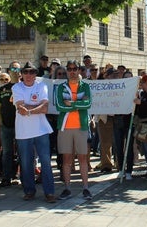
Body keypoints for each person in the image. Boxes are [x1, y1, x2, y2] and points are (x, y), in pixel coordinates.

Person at [12, 62, 56, 202]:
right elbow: (20, 108)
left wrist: (29, 110)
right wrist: (37, 107)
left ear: (35, 74)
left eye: (32, 72)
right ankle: (29, 190)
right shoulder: (16, 87)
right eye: (26, 72)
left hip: (41, 129)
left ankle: (49, 192)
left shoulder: (41, 85)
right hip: (23, 131)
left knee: (46, 161)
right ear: (22, 74)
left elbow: (45, 108)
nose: (29, 75)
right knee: (26, 163)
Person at [55, 60, 93, 200]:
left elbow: (88, 103)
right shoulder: (61, 87)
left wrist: (72, 104)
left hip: (81, 126)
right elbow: (60, 106)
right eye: (69, 69)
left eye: (74, 68)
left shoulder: (85, 86)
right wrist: (79, 104)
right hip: (65, 127)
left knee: (83, 158)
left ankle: (85, 188)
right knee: (67, 159)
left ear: (78, 70)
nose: (72, 71)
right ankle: (67, 188)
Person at [0, 61, 21, 188]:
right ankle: (6, 178)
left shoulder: (23, 86)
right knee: (6, 152)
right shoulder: (3, 89)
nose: (15, 71)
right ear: (9, 70)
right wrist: (0, 122)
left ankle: (16, 176)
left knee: (20, 151)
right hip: (6, 125)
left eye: (17, 69)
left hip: (20, 126)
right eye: (13, 69)